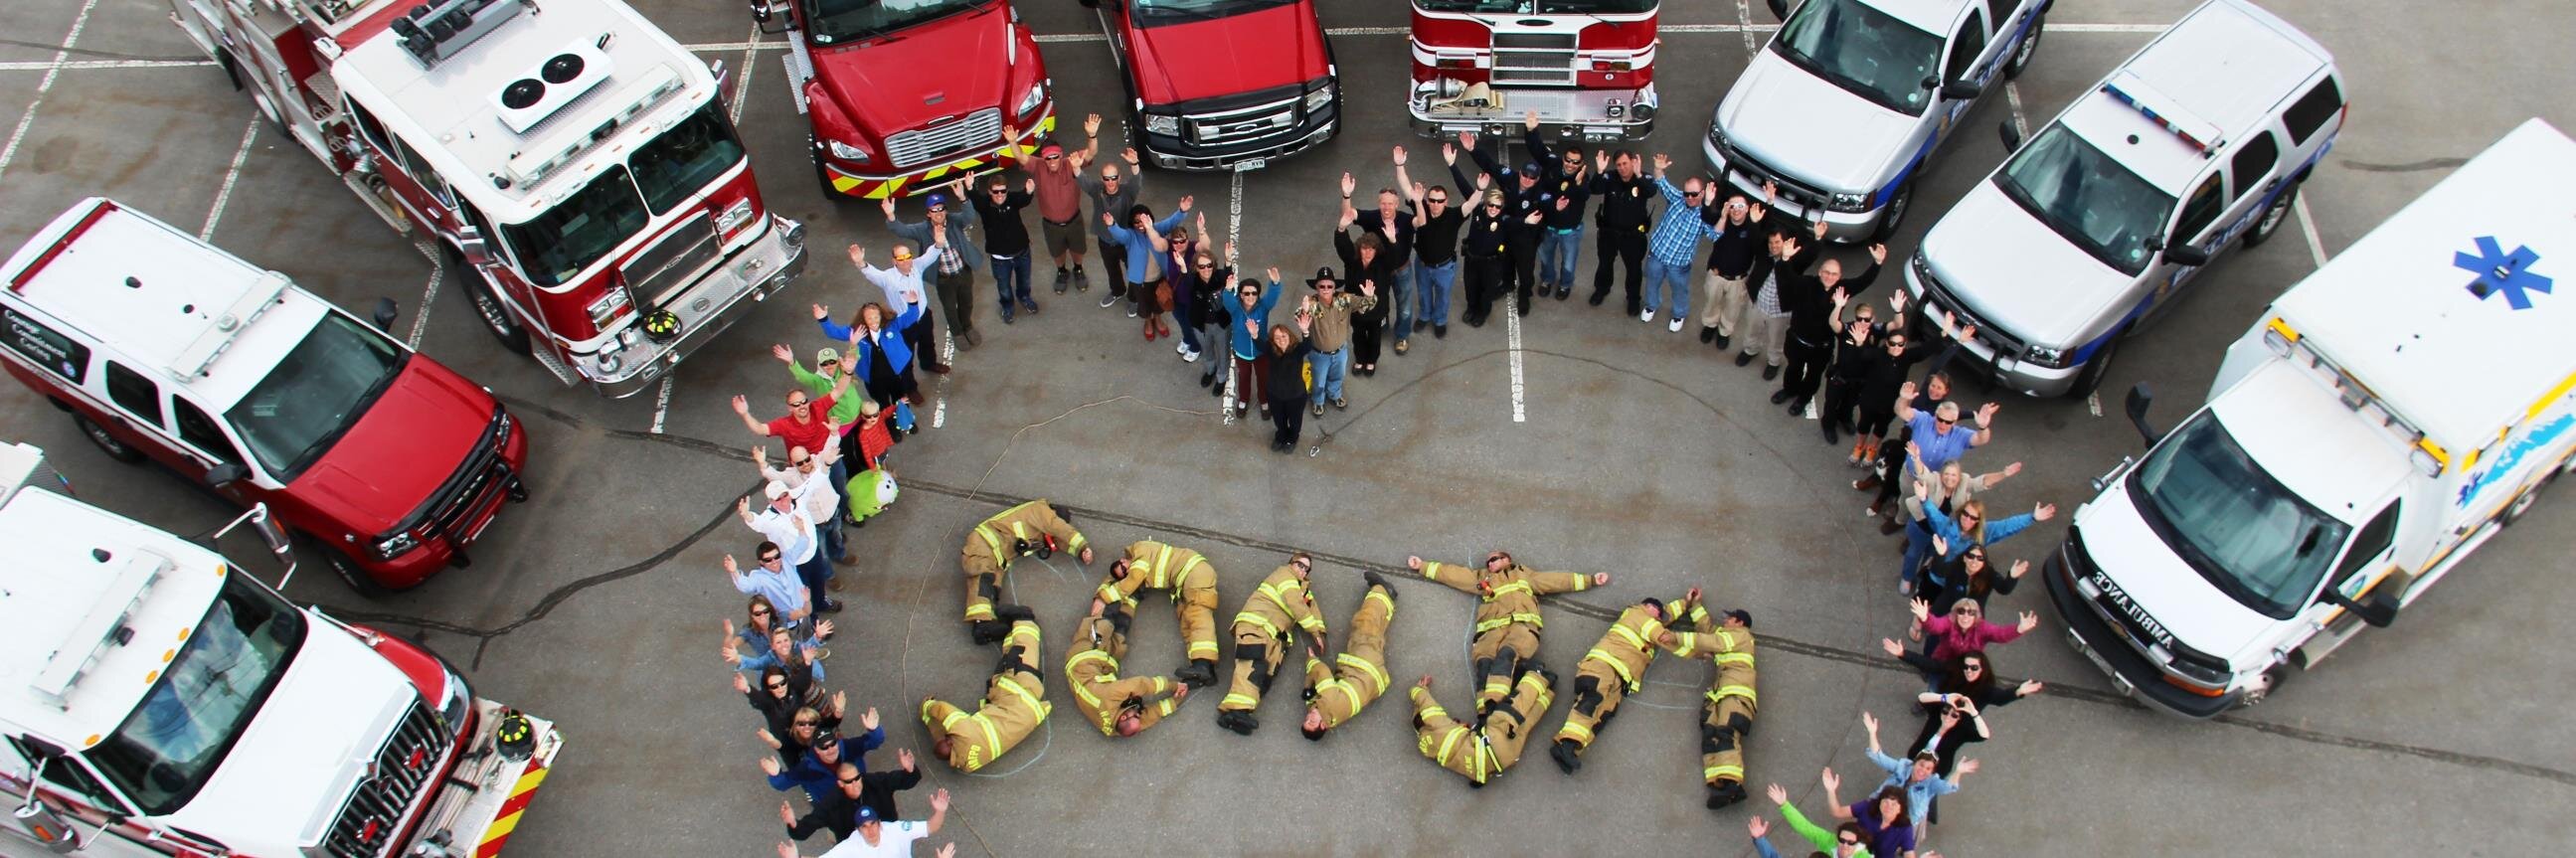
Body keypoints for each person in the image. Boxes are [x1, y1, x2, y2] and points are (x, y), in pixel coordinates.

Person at [1409, 552, 1608, 711]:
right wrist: (1422, 566)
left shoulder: (1524, 575)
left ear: (1507, 559)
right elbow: (1455, 575)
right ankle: (1484, 715)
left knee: (1506, 655)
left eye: (1494, 559)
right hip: (1490, 633)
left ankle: (1494, 705)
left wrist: (1590, 580)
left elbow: (1555, 580)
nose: (1490, 563)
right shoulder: (1483, 578)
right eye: (1488, 562)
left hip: (1522, 629)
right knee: (1484, 666)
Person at [1548, 596, 1676, 773]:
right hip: (1603, 665)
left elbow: (1669, 614)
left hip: (1619, 676)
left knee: (1602, 715)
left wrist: (1688, 602)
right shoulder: (1638, 615)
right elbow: (1663, 636)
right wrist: (1699, 646)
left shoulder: (1648, 621)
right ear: (1649, 607)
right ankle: (1567, 745)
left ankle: (1568, 749)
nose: (1660, 619)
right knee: (1591, 701)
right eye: (1658, 614)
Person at [1775, 222, 1887, 415]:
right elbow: (1787, 276)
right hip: (1797, 340)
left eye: (1834, 274)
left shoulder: (1843, 289)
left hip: (1821, 347)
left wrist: (1877, 264)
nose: (1829, 276)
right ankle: (1789, 390)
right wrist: (1785, 258)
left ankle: (1803, 399)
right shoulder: (1806, 283)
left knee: (1813, 376)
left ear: (1840, 276)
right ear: (1820, 272)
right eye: (1826, 272)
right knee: (1793, 368)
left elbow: (1864, 281)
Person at [1219, 553, 1331, 735]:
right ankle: (1237, 710)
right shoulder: (1284, 576)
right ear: (1291, 563)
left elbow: (1311, 609)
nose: (1303, 570)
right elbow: (1296, 605)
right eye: (1300, 565)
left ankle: (1238, 714)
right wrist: (1314, 632)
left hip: (1274, 635)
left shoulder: (1303, 590)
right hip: (1257, 625)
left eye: (1307, 569)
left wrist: (1321, 632)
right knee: (1252, 666)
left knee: (1263, 676)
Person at [921, 619, 1050, 772]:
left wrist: (931, 724)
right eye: (948, 740)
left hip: (1027, 716)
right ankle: (1024, 622)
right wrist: (927, 707)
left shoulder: (967, 766)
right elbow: (944, 710)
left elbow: (943, 740)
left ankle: (1009, 634)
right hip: (1019, 701)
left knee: (998, 679)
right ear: (950, 743)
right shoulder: (963, 732)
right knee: (1020, 662)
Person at [1667, 598, 1760, 808]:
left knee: (1727, 733)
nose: (1725, 620)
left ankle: (1732, 785)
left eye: (1730, 618)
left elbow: (1712, 641)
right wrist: (1694, 606)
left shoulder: (1740, 635)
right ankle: (1719, 786)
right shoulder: (1727, 636)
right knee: (1711, 736)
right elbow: (1707, 630)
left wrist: (1675, 637)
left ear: (1739, 622)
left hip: (1735, 693)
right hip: (1720, 694)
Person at [957, 499, 1091, 643]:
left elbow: (1058, 540)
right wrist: (1083, 546)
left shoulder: (1038, 529)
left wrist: (1079, 553)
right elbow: (1060, 528)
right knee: (982, 578)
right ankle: (981, 623)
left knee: (993, 587)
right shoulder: (1042, 511)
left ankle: (988, 625)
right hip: (984, 543)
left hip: (998, 556)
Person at [1094, 540, 1223, 687]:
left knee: (1197, 616)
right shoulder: (1139, 564)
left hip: (1194, 572)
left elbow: (1133, 578)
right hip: (1186, 580)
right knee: (1187, 623)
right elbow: (1122, 581)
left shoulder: (1140, 550)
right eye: (1124, 574)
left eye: (1124, 568)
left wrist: (1103, 598)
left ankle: (1202, 666)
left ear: (1123, 559)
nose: (1127, 572)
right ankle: (1206, 671)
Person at [1409, 667, 1555, 788]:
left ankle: (1549, 693)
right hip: (1492, 744)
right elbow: (1424, 701)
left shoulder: (1425, 747)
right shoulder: (1432, 720)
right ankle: (1539, 676)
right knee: (1510, 710)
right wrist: (1419, 687)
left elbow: (1455, 749)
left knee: (1526, 724)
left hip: (1502, 761)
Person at [1896, 457, 2023, 593]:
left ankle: (1923, 577)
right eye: (1946, 474)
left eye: (1954, 475)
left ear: (1959, 476)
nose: (1949, 478)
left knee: (1933, 556)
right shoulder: (1934, 480)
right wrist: (1916, 459)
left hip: (1943, 530)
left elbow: (1982, 481)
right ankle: (1907, 577)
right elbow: (1923, 474)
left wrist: (2003, 474)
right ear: (1941, 474)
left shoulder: (1964, 482)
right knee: (1914, 552)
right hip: (1921, 525)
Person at [1298, 572, 1399, 741]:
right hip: (1363, 665)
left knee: (1375, 632)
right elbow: (1321, 672)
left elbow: (1319, 698)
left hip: (1370, 678)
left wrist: (1310, 698)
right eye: (1312, 721)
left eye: (1306, 719)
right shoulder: (1328, 705)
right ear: (1323, 725)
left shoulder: (1332, 716)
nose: (1309, 716)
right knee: (1365, 623)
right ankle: (1383, 591)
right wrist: (1311, 661)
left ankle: (1387, 602)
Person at [1457, 129, 1547, 314]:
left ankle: (1524, 294)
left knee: (1525, 269)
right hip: (1505, 232)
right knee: (1505, 261)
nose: (1527, 179)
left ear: (1537, 179)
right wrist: (1473, 149)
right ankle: (1507, 284)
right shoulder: (1509, 177)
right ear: (1520, 173)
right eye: (1525, 175)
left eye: (1532, 177)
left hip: (1526, 237)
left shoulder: (1540, 193)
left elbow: (1550, 209)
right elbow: (1489, 165)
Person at [1065, 602, 1189, 737]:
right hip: (1104, 668)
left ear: (1123, 717)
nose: (1138, 714)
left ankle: (1108, 599)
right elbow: (1148, 718)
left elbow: (1140, 684)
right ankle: (1131, 600)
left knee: (1103, 626)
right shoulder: (1115, 729)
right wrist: (1176, 700)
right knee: (1118, 644)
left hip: (1082, 659)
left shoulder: (1109, 697)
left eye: (1135, 715)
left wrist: (1173, 686)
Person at [885, 184, 986, 348]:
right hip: (943, 279)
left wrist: (963, 198)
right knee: (949, 307)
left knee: (967, 302)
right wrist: (891, 215)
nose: (938, 213)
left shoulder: (954, 221)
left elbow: (969, 216)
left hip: (963, 272)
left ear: (946, 210)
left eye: (941, 209)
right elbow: (902, 230)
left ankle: (967, 326)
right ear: (928, 213)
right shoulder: (922, 230)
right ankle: (957, 332)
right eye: (934, 210)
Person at [1349, 149, 1421, 354]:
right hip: (1378, 271)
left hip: (1401, 269)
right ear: (1378, 203)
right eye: (1383, 203)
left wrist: (1418, 201)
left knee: (1404, 306)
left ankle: (1402, 336)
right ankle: (1382, 325)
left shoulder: (1406, 219)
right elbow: (1349, 213)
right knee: (1378, 302)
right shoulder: (1372, 217)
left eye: (1390, 203)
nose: (1386, 207)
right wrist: (1346, 195)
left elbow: (1422, 221)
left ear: (1397, 204)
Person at [1861, 711, 1975, 836]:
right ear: (1914, 763)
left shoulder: (1931, 783)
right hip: (1881, 810)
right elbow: (1878, 757)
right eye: (1921, 765)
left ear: (1932, 772)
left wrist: (1958, 772)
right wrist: (1872, 733)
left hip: (1903, 822)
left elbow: (1947, 787)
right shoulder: (1903, 767)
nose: (1923, 770)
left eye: (1928, 769)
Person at [1642, 153, 1722, 331]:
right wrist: (1658, 169)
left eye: (1694, 194)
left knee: (1680, 290)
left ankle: (1679, 314)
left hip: (1679, 264)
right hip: (1657, 254)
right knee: (1652, 282)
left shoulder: (1705, 215)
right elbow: (1661, 182)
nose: (1689, 197)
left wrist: (1722, 217)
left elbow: (1714, 236)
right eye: (1687, 193)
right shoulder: (1677, 198)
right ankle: (1651, 305)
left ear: (1702, 193)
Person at [1522, 110, 1592, 301]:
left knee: (1568, 263)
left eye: (1575, 162)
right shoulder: (1552, 164)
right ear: (1563, 158)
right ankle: (1547, 280)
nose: (1570, 164)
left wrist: (1578, 183)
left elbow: (1585, 195)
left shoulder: (1583, 178)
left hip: (1570, 231)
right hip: (1548, 226)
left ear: (1581, 163)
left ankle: (1565, 285)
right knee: (1545, 258)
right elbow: (1537, 149)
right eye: (1568, 160)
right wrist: (1531, 130)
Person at [737, 480, 837, 612]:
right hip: (794, 563)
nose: (784, 501)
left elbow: (813, 482)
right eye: (778, 499)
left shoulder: (798, 500)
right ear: (771, 501)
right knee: (802, 594)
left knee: (819, 582)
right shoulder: (769, 518)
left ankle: (821, 602)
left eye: (785, 495)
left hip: (813, 553)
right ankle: (812, 618)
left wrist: (824, 468)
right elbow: (757, 523)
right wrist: (747, 515)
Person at [778, 754, 924, 844]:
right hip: (855, 848)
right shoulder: (831, 803)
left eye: (857, 778)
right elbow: (808, 826)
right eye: (849, 781)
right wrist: (792, 822)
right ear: (840, 784)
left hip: (887, 837)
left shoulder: (875, 782)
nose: (855, 784)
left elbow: (904, 781)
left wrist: (910, 770)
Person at [1734, 209, 1808, 380]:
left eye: (1777, 242)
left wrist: (1819, 239)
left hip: (1780, 312)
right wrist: (1759, 217)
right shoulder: (1764, 255)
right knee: (1752, 331)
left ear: (1786, 243)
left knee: (1777, 340)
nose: (1773, 246)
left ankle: (1774, 362)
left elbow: (1811, 255)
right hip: (1758, 305)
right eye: (1771, 243)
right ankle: (1750, 350)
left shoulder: (1794, 262)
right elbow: (1754, 238)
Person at [755, 442, 851, 576]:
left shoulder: (819, 462)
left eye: (807, 459)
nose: (805, 464)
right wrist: (762, 463)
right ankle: (828, 575)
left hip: (833, 513)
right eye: (800, 463)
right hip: (815, 523)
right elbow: (773, 476)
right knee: (821, 552)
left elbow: (831, 443)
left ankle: (840, 555)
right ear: (793, 464)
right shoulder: (790, 477)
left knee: (837, 538)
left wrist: (834, 433)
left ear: (810, 456)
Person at [1331, 198, 1402, 376]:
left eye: (1371, 249)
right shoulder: (1352, 262)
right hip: (1356, 310)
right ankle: (1360, 359)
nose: (1368, 252)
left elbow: (1395, 258)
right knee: (1358, 336)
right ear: (1359, 249)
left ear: (1376, 250)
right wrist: (1341, 229)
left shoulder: (1383, 265)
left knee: (1375, 337)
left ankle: (1371, 361)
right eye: (1364, 248)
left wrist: (1392, 240)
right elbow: (1343, 247)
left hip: (1377, 310)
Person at [1032, 115, 1102, 293]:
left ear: (1061, 155)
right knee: (1057, 252)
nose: (1052, 161)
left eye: (1055, 157)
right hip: (1051, 224)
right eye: (1048, 158)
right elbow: (1020, 157)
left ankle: (1078, 269)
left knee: (1078, 249)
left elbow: (1091, 152)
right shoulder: (1038, 166)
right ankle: (1062, 271)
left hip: (1074, 220)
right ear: (1043, 159)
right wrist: (1012, 142)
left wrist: (1092, 135)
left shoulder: (1072, 162)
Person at [774, 788, 948, 858]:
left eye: (873, 824)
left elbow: (930, 827)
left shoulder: (896, 830)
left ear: (880, 823)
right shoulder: (851, 846)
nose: (870, 830)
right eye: (864, 827)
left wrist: (940, 811)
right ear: (858, 830)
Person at [1081, 141, 1150, 312]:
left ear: (1119, 178)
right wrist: (1076, 167)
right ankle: (1118, 291)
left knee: (1133, 271)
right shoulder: (1097, 190)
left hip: (1126, 242)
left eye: (1113, 178)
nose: (1110, 182)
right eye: (1106, 178)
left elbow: (1137, 180)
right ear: (1102, 179)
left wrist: (1134, 163)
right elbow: (1084, 181)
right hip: (1105, 241)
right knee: (1112, 270)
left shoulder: (1128, 191)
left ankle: (1134, 298)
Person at [1102, 199, 1192, 328]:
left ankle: (1158, 320)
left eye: (1143, 219)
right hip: (1141, 282)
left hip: (1159, 278)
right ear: (1132, 223)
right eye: (1136, 221)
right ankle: (1148, 322)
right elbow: (1120, 235)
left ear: (1150, 218)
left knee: (1159, 302)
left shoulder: (1157, 229)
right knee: (1144, 305)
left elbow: (1171, 222)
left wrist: (1182, 211)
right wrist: (1112, 225)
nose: (1140, 224)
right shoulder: (1130, 236)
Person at [1297, 267, 1376, 417]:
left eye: (1329, 286)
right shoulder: (1311, 304)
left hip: (1341, 351)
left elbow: (1365, 306)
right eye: (1322, 286)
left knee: (1338, 376)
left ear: (1334, 288)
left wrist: (1369, 297)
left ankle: (1334, 394)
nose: (1326, 289)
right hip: (1319, 354)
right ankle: (1318, 400)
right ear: (1316, 287)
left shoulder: (1344, 299)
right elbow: (1299, 318)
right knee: (1319, 380)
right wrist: (1304, 311)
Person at [1586, 148, 1654, 313]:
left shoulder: (1643, 178)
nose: (1622, 168)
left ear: (1633, 162)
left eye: (1625, 163)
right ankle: (1601, 290)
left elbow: (1651, 191)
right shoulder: (1610, 177)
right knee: (1604, 264)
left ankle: (1633, 299)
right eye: (1618, 165)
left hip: (1633, 236)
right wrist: (1599, 172)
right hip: (1609, 232)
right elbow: (1594, 189)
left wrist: (1638, 175)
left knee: (1634, 269)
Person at [1698, 189, 1765, 347]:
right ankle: (1710, 325)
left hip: (1738, 280)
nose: (1736, 210)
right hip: (1716, 274)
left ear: (1747, 209)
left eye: (1740, 206)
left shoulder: (1751, 227)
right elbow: (1705, 216)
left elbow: (1758, 247)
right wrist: (1707, 202)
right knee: (1711, 302)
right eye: (1732, 206)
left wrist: (1756, 224)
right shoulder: (1722, 219)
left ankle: (1724, 332)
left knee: (1732, 309)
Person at [970, 174, 1041, 321]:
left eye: (1003, 191)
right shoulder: (984, 205)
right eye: (995, 191)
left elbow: (1023, 199)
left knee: (1025, 281)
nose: (1000, 195)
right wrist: (970, 188)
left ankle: (1024, 297)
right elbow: (976, 201)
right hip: (1000, 259)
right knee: (1004, 287)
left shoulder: (1011, 199)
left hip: (1022, 253)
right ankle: (1007, 306)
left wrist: (1029, 191)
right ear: (989, 192)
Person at [1405, 178, 1466, 338]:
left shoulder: (1453, 215)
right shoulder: (1421, 209)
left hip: (1444, 268)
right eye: (1432, 200)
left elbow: (1471, 203)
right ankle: (1424, 315)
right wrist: (1399, 166)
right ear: (1427, 200)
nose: (1435, 204)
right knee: (1423, 293)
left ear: (1446, 201)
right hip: (1423, 265)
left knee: (1443, 296)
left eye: (1440, 201)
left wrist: (1480, 189)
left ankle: (1440, 320)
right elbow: (1406, 187)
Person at [1891, 384, 1998, 475]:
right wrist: (1903, 399)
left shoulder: (1961, 435)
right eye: (1940, 419)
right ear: (1935, 415)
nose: (1943, 424)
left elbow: (1981, 439)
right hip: (1910, 476)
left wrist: (1983, 427)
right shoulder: (1923, 420)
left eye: (1948, 422)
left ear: (1955, 422)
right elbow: (1901, 411)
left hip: (1936, 485)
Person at [1219, 271, 1285, 421]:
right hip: (1241, 353)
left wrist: (1275, 283)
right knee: (1244, 377)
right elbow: (1227, 300)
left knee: (1263, 377)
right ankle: (1243, 399)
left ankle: (1264, 400)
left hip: (1261, 352)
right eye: (1246, 293)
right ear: (1241, 295)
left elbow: (1272, 296)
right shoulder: (1235, 308)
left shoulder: (1263, 307)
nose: (1250, 296)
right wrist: (1228, 290)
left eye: (1254, 293)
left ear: (1258, 295)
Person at [1904, 596, 2042, 665]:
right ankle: (1925, 704)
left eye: (1971, 613)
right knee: (1934, 689)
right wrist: (1925, 617)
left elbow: (2000, 634)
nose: (1966, 616)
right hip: (1942, 663)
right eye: (1961, 611)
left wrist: (2019, 629)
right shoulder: (1949, 622)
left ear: (1976, 616)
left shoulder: (1982, 627)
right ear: (1955, 613)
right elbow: (1936, 626)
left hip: (1966, 668)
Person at [1451, 187, 1513, 327]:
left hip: (1491, 263)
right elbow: (1466, 189)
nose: (1494, 209)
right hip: (1472, 259)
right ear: (1486, 203)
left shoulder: (1504, 220)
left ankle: (1482, 312)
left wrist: (1527, 220)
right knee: (1470, 285)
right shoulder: (1478, 210)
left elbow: (1518, 222)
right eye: (1491, 204)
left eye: (1498, 206)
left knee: (1487, 290)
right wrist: (1453, 168)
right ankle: (1471, 308)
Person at [1179, 241, 1239, 385]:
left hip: (1221, 325)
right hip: (1201, 326)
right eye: (1202, 266)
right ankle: (1210, 370)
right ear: (1196, 267)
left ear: (1213, 265)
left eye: (1209, 265)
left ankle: (1221, 378)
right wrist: (1182, 266)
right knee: (1207, 351)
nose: (1206, 269)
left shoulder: (1219, 276)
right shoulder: (1193, 280)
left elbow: (1228, 277)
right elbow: (1187, 280)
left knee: (1223, 353)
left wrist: (1228, 261)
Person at [1761, 783, 1873, 858]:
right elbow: (1805, 827)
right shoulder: (1829, 842)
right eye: (1842, 840)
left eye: (1851, 842)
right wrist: (1784, 805)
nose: (1845, 845)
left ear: (1858, 843)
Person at [1821, 771, 1917, 858]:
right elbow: (1838, 811)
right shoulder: (1867, 807)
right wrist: (1831, 791)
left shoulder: (1904, 828)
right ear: (1879, 803)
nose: (1888, 806)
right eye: (1885, 802)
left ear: (1900, 809)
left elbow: (1909, 853)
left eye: (1894, 804)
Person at [1921, 543, 2028, 619]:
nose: (1974, 561)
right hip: (1946, 608)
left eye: (1980, 558)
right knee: (1934, 635)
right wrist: (1940, 555)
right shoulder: (1956, 566)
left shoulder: (1989, 574)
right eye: (1971, 556)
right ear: (1964, 558)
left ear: (1984, 562)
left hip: (1971, 616)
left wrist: (2012, 577)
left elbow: (2003, 589)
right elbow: (1938, 571)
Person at [726, 548, 812, 633]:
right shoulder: (759, 578)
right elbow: (745, 586)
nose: (774, 561)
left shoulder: (787, 561)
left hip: (804, 613)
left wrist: (806, 602)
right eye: (768, 560)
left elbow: (802, 543)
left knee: (809, 634)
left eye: (776, 557)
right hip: (784, 624)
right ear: (761, 562)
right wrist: (734, 571)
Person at [1263, 320, 1311, 452]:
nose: (1281, 340)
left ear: (1290, 336)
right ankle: (1281, 436)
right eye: (1277, 337)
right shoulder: (1270, 350)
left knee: (1295, 421)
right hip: (1275, 395)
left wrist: (1305, 331)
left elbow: (1308, 346)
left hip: (1296, 396)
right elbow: (1259, 345)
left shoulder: (1297, 350)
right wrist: (1255, 335)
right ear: (1273, 341)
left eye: (1284, 336)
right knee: (1279, 420)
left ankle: (1292, 439)